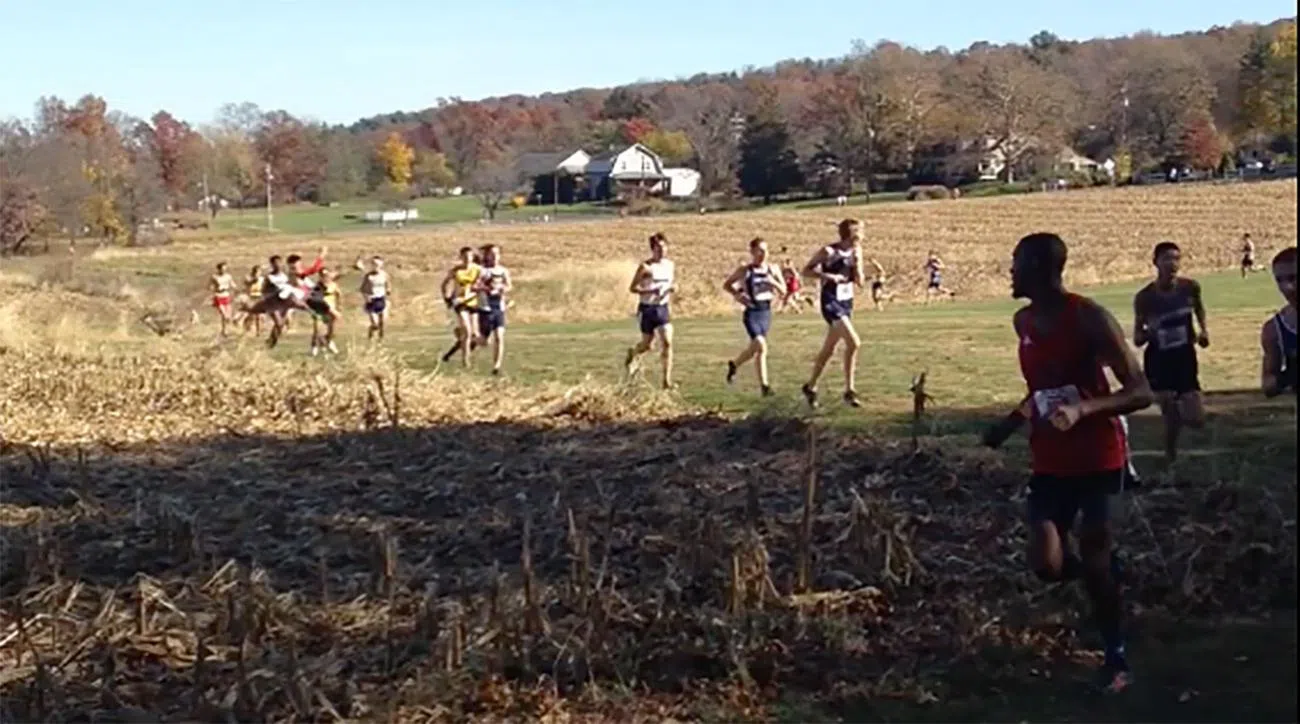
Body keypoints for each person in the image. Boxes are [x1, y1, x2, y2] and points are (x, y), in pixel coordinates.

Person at [981, 232, 1154, 695]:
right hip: (1050, 458)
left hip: (1099, 455)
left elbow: (1140, 391)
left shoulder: (1088, 317)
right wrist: (1010, 423)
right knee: (1047, 564)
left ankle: (1116, 656)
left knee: (1095, 555)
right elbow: (1041, 388)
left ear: (1039, 268)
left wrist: (1083, 410)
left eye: (1016, 263)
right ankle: (1107, 579)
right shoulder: (1022, 321)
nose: (1010, 271)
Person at [1133, 241, 1209, 465]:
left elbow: (1199, 308)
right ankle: (1170, 454)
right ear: (1155, 262)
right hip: (1159, 360)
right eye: (1166, 258)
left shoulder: (1190, 288)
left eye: (1176, 258)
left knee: (1196, 419)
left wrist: (1203, 331)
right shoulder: (1145, 297)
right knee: (1170, 412)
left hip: (1185, 357)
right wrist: (1150, 331)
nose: (1172, 264)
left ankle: (1178, 419)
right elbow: (1137, 338)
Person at [800, 218, 864, 409]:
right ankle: (849, 390)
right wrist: (827, 276)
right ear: (851, 233)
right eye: (860, 231)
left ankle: (810, 386)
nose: (863, 234)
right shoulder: (829, 251)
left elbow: (860, 282)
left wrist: (857, 265)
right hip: (831, 301)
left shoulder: (857, 251)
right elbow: (806, 271)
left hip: (846, 301)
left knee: (829, 349)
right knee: (854, 342)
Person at [723, 237, 784, 396]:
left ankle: (735, 364)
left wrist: (773, 282)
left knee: (755, 349)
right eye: (759, 251)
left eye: (766, 251)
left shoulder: (773, 269)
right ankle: (765, 386)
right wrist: (738, 295)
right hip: (752, 312)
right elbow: (727, 285)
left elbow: (784, 291)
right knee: (761, 345)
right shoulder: (745, 270)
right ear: (752, 252)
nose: (763, 254)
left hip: (766, 312)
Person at [624, 232, 676, 389]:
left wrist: (673, 287)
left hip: (662, 308)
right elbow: (633, 288)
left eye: (664, 247)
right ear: (652, 249)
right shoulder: (645, 267)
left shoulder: (670, 265)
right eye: (658, 247)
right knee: (647, 345)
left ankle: (666, 381)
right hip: (647, 309)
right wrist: (650, 291)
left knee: (667, 342)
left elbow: (671, 284)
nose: (662, 250)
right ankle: (633, 353)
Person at [1261, 246, 1297, 397]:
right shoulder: (1274, 329)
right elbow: (1268, 385)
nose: (1287, 288)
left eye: (1293, 278)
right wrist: (1288, 377)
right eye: (1279, 280)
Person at [439, 246, 483, 367]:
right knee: (467, 331)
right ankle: (465, 361)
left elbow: (482, 284)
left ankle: (456, 350)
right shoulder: (456, 270)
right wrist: (447, 298)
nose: (467, 259)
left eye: (469, 256)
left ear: (472, 257)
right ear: (461, 257)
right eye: (464, 257)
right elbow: (444, 284)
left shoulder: (478, 269)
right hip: (459, 302)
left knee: (475, 334)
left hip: (473, 301)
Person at [475, 244, 512, 376]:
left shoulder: (503, 270)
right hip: (485, 308)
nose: (495, 256)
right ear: (487, 256)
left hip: (499, 307)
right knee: (484, 342)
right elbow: (474, 286)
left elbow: (509, 285)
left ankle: (496, 366)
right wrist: (485, 288)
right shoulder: (482, 271)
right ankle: (469, 339)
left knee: (499, 337)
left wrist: (503, 289)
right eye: (492, 254)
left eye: (497, 254)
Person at [307, 266, 345, 357]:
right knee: (317, 329)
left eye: (326, 275)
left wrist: (339, 307)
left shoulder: (333, 285)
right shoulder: (317, 286)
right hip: (319, 310)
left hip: (331, 309)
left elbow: (339, 295)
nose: (324, 277)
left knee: (331, 329)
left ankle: (329, 341)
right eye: (322, 275)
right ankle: (314, 347)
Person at [359, 255, 391, 343]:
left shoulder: (384, 275)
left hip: (382, 299)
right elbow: (363, 289)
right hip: (372, 301)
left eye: (377, 264)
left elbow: (388, 284)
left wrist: (388, 290)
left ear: (381, 265)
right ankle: (370, 334)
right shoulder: (368, 276)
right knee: (375, 324)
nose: (376, 266)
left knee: (382, 323)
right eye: (374, 264)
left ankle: (381, 340)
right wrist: (367, 298)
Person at [777, 247, 812, 313]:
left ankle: (797, 310)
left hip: (793, 283)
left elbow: (796, 275)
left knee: (788, 298)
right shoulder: (784, 270)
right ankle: (805, 299)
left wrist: (799, 283)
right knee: (795, 298)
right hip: (790, 284)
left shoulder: (790, 268)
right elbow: (784, 277)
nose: (782, 265)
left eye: (784, 263)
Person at [209, 262, 235, 337]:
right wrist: (213, 289)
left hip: (226, 295)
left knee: (228, 316)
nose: (224, 270)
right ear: (219, 269)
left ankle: (224, 330)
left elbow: (232, 284)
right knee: (224, 314)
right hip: (218, 296)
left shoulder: (228, 276)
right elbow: (209, 286)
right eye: (222, 269)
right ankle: (224, 331)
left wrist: (236, 288)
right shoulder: (214, 277)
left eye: (225, 269)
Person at [240, 264, 264, 336]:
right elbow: (248, 283)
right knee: (251, 315)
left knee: (258, 316)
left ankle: (258, 332)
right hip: (251, 298)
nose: (258, 273)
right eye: (256, 272)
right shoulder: (248, 278)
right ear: (253, 272)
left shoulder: (262, 279)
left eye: (259, 272)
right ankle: (246, 326)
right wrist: (254, 280)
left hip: (259, 298)